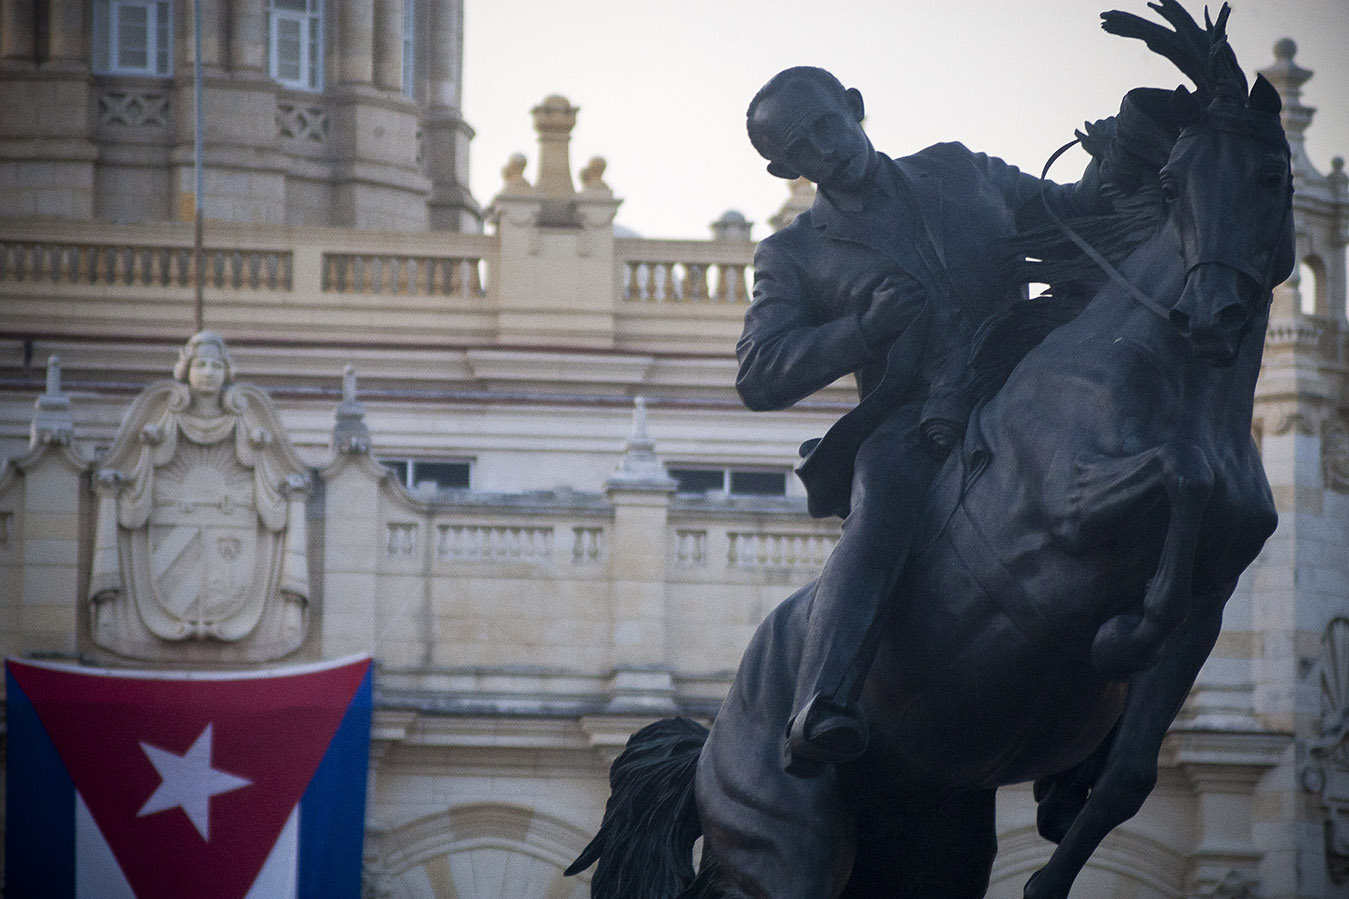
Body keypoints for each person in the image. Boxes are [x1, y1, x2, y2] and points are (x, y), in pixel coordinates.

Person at [738, 66, 1131, 777]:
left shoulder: (957, 169)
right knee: (879, 509)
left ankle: (1111, 722)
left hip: (1027, 392)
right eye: (801, 148)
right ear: (781, 168)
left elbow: (1070, 211)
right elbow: (759, 372)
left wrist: (1109, 161)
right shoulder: (792, 253)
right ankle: (822, 697)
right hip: (915, 423)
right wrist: (860, 328)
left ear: (854, 107)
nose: (824, 149)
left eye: (827, 125)